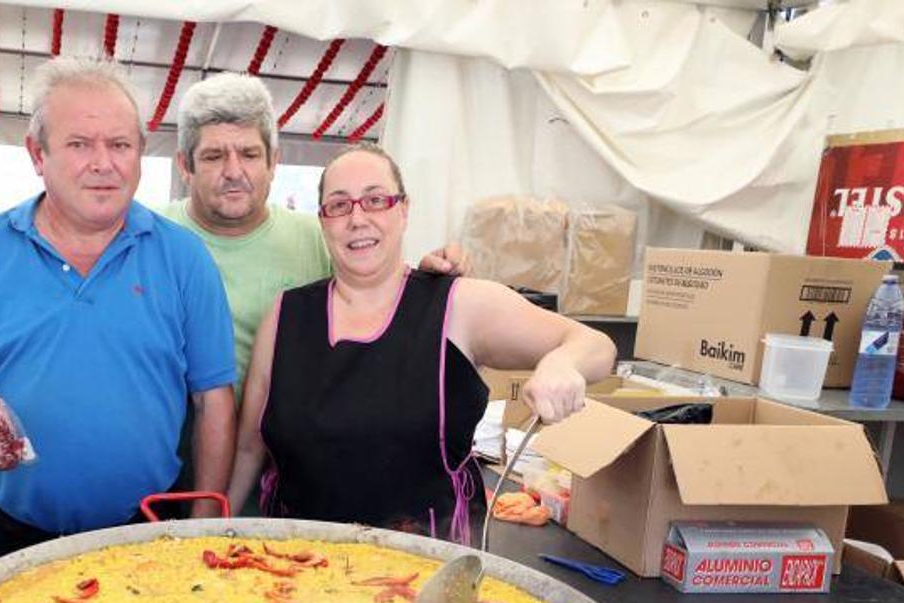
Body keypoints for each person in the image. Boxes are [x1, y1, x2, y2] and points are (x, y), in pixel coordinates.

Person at [0, 57, 236, 567]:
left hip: (147, 535)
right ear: (38, 154)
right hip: (7, 535)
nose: (103, 163)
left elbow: (213, 399)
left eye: (120, 145)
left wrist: (203, 524)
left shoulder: (184, 258)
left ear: (142, 154)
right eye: (79, 144)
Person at [228, 144, 616, 547]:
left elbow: (596, 344)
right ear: (323, 220)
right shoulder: (286, 315)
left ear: (404, 210)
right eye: (339, 205)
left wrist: (563, 362)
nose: (358, 218)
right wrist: (212, 531)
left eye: (376, 200)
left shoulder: (459, 305)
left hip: (426, 577)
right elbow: (248, 449)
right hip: (290, 571)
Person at [162, 72, 467, 390]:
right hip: (169, 441)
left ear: (274, 161)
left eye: (250, 154)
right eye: (214, 156)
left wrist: (428, 281)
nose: (234, 172)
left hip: (292, 438)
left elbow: (383, 299)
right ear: (185, 165)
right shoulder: (149, 239)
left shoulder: (323, 238)